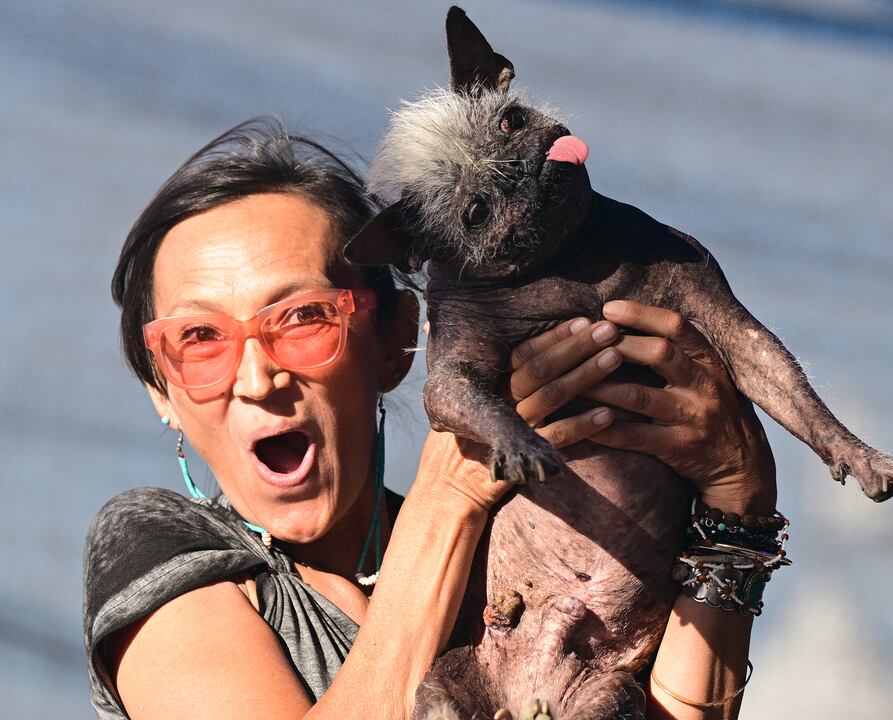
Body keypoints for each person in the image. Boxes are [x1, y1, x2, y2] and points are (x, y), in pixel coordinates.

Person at [83, 117, 779, 720]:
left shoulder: (517, 544)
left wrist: (736, 503)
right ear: (160, 390)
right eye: (199, 337)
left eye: (302, 318)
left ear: (396, 341)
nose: (258, 378)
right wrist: (451, 490)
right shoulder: (153, 547)